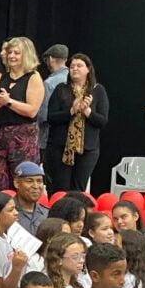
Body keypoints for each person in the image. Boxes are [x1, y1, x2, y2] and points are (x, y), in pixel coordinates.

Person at [0, 36, 44, 192]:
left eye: (17, 53)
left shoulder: (33, 77)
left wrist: (9, 102)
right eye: (10, 52)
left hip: (23, 138)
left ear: (26, 55)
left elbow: (32, 110)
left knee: (22, 182)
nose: (11, 56)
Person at [46, 53, 109, 192]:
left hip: (88, 149)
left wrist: (87, 111)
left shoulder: (98, 90)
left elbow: (102, 120)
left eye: (79, 65)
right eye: (72, 66)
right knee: (61, 189)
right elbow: (51, 117)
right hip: (60, 147)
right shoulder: (61, 89)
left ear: (88, 69)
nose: (75, 68)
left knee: (78, 189)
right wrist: (71, 111)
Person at [36, 44, 69, 168]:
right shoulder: (76, 80)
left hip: (50, 138)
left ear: (50, 59)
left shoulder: (49, 83)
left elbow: (43, 115)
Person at [112, 200, 145, 277]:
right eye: (115, 219)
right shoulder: (111, 241)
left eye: (123, 217)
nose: (119, 222)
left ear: (135, 216)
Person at [12, 161, 49, 235]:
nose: (35, 186)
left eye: (39, 181)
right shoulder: (7, 213)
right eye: (29, 181)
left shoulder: (47, 214)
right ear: (16, 183)